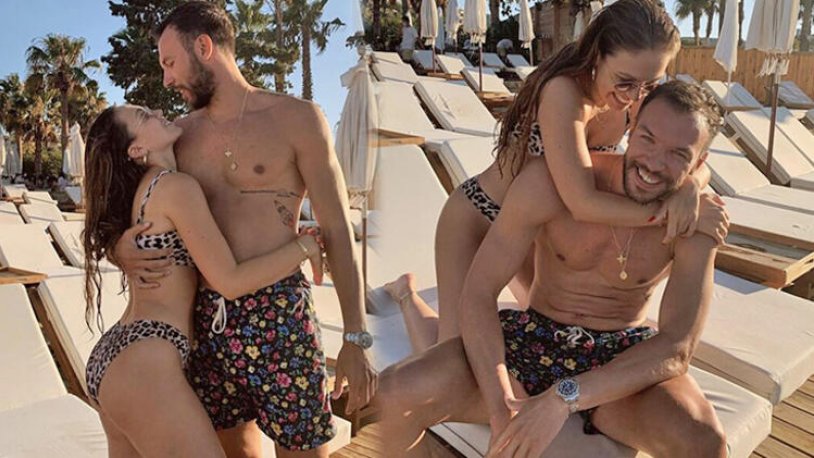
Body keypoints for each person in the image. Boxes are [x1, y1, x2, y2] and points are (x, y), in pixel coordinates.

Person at [379, 80, 729, 458]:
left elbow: (677, 347)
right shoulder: (554, 183)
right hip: (531, 338)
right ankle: (407, 296)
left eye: (678, 154)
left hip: (616, 358)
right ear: (631, 128)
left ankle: (408, 297)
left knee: (704, 442)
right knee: (396, 391)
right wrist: (501, 409)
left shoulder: (696, 222)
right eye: (647, 138)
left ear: (699, 163)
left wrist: (562, 398)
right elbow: (479, 292)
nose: (654, 163)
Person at [113, 2, 377, 457]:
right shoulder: (176, 136)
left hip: (281, 318)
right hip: (204, 322)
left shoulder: (298, 119)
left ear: (204, 47)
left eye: (170, 63)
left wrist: (355, 336)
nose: (167, 80)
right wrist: (119, 247)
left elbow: (336, 226)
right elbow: (126, 204)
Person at [384, 0, 721, 353]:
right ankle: (407, 295)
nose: (636, 96)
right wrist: (666, 212)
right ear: (597, 56)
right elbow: (582, 202)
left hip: (535, 231)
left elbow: (687, 155)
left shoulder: (632, 99)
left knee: (552, 334)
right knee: (453, 353)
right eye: (626, 82)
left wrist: (689, 187)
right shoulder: (564, 92)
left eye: (650, 84)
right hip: (480, 218)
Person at [82, 105, 327, 456]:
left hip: (118, 354)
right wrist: (304, 247)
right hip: (146, 360)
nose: (157, 110)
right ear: (136, 150)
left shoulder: (144, 192)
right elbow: (230, 281)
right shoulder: (174, 187)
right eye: (144, 116)